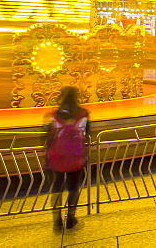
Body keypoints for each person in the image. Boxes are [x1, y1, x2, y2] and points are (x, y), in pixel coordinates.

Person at [45, 86, 90, 230]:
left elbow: (47, 137)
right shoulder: (83, 114)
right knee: (73, 187)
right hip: (76, 157)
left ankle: (56, 219)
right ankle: (71, 216)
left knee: (57, 187)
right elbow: (87, 134)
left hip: (57, 157)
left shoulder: (54, 115)